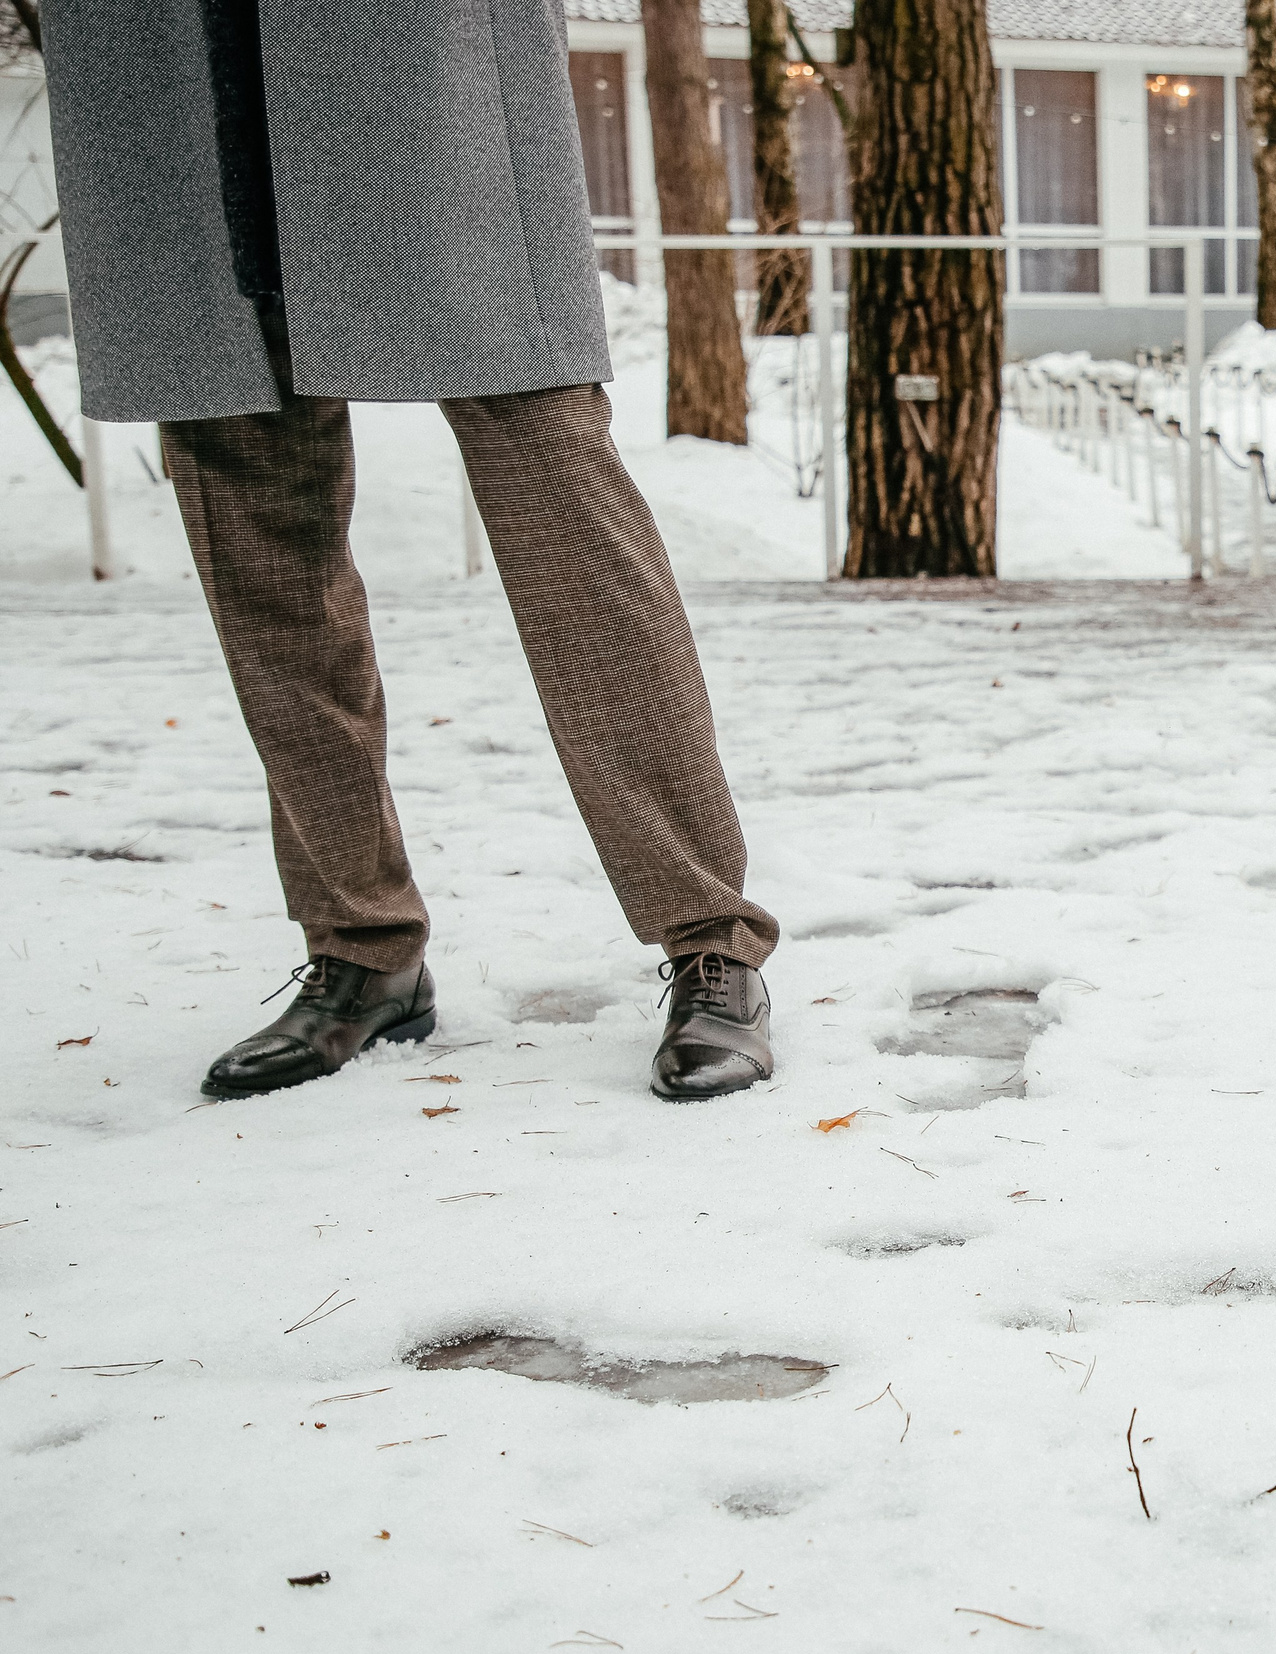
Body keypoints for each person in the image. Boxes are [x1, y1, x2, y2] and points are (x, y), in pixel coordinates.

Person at [40, 0, 779, 1102]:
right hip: (160, 38)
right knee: (243, 469)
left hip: (413, 38)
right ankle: (361, 951)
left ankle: (710, 938)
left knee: (546, 453)